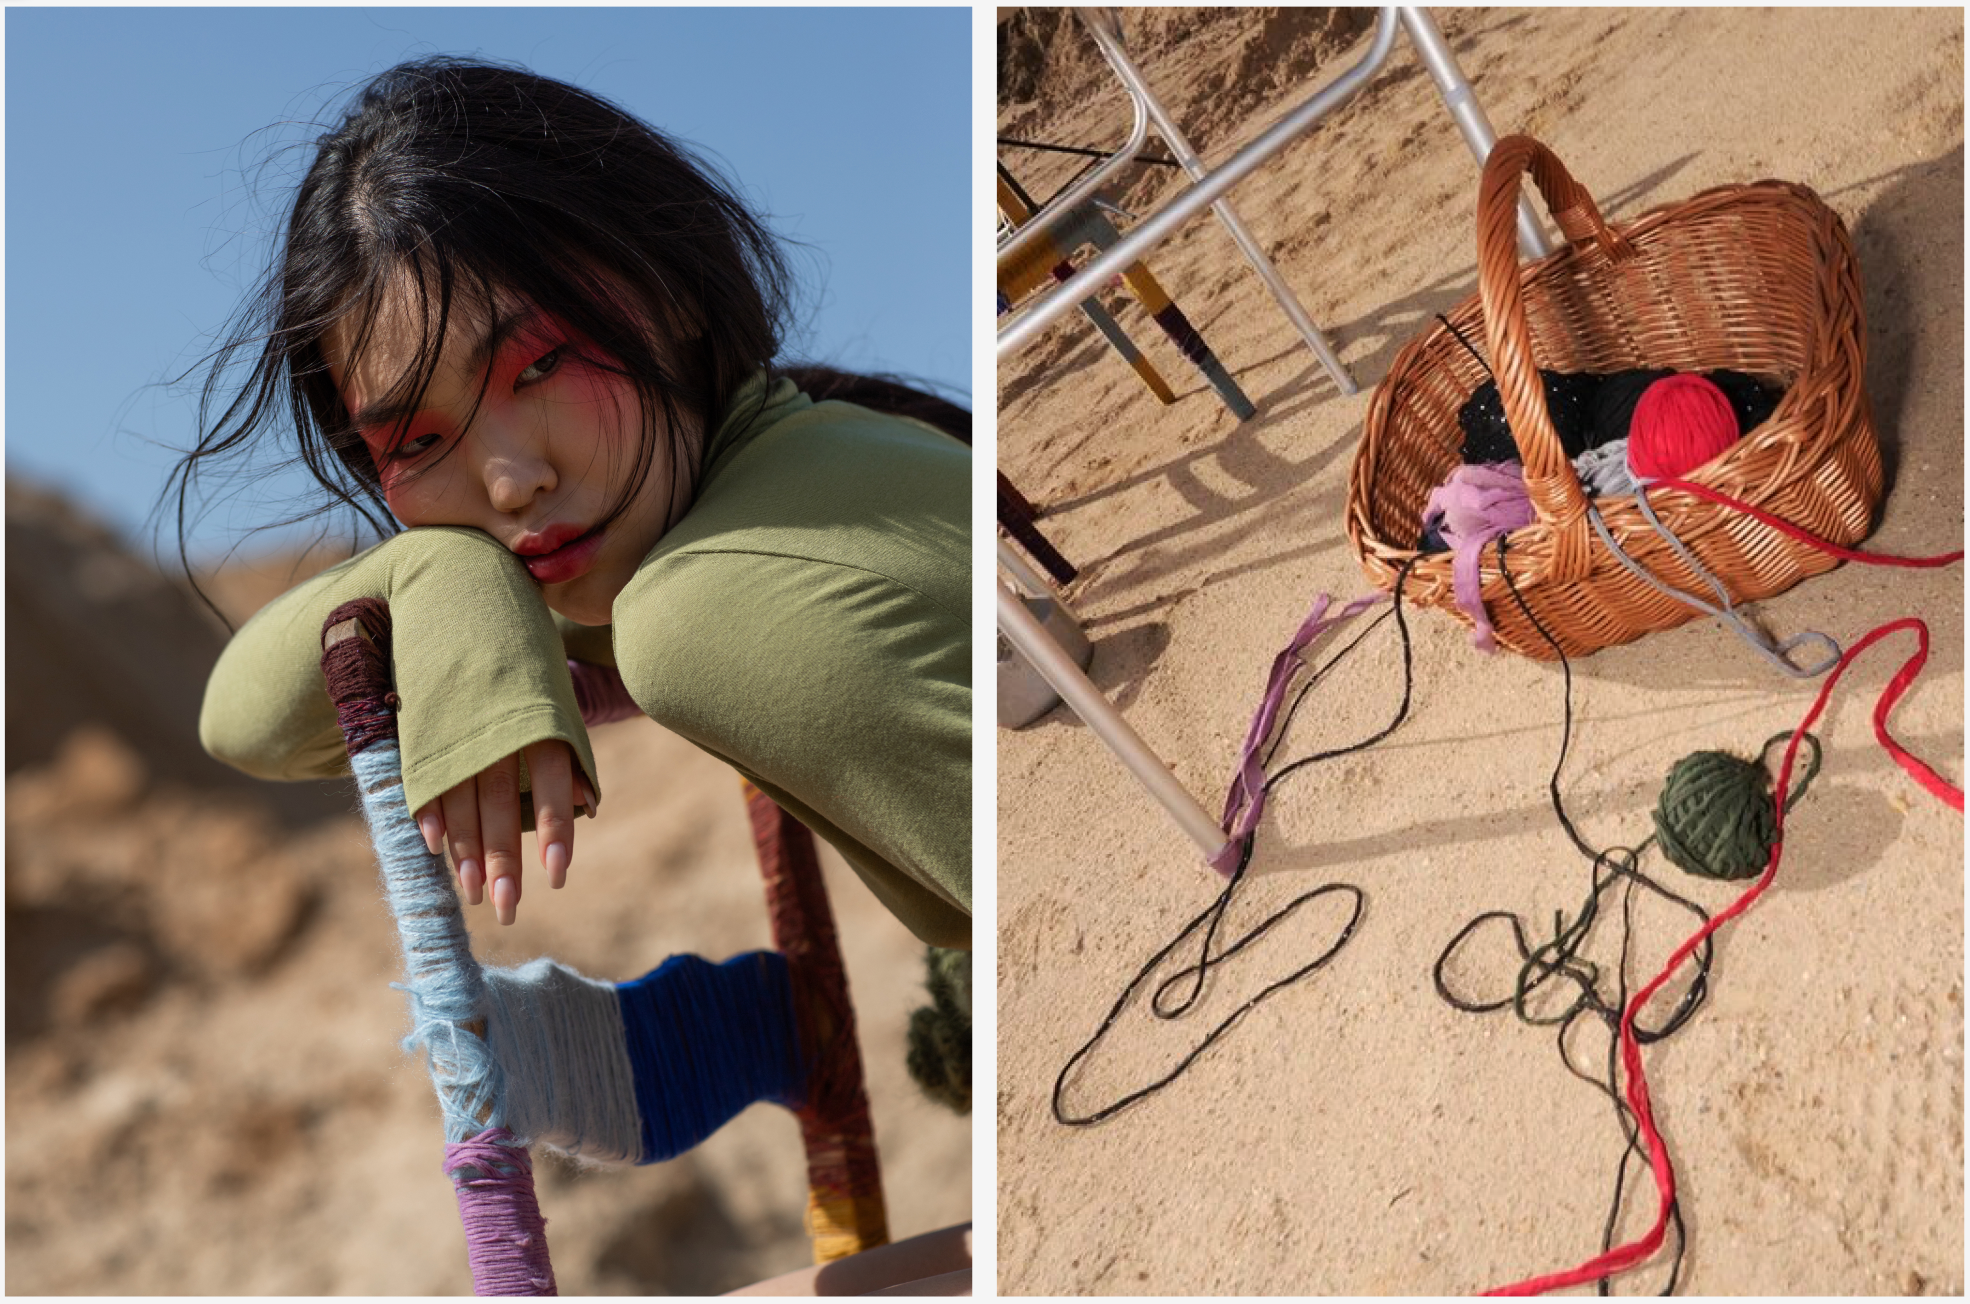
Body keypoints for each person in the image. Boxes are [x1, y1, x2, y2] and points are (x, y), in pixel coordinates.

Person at [171, 56, 969, 1293]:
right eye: (418, 441)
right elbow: (242, 712)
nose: (508, 482)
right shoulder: (791, 453)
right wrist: (445, 581)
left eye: (538, 365)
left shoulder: (696, 606)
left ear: (669, 290)